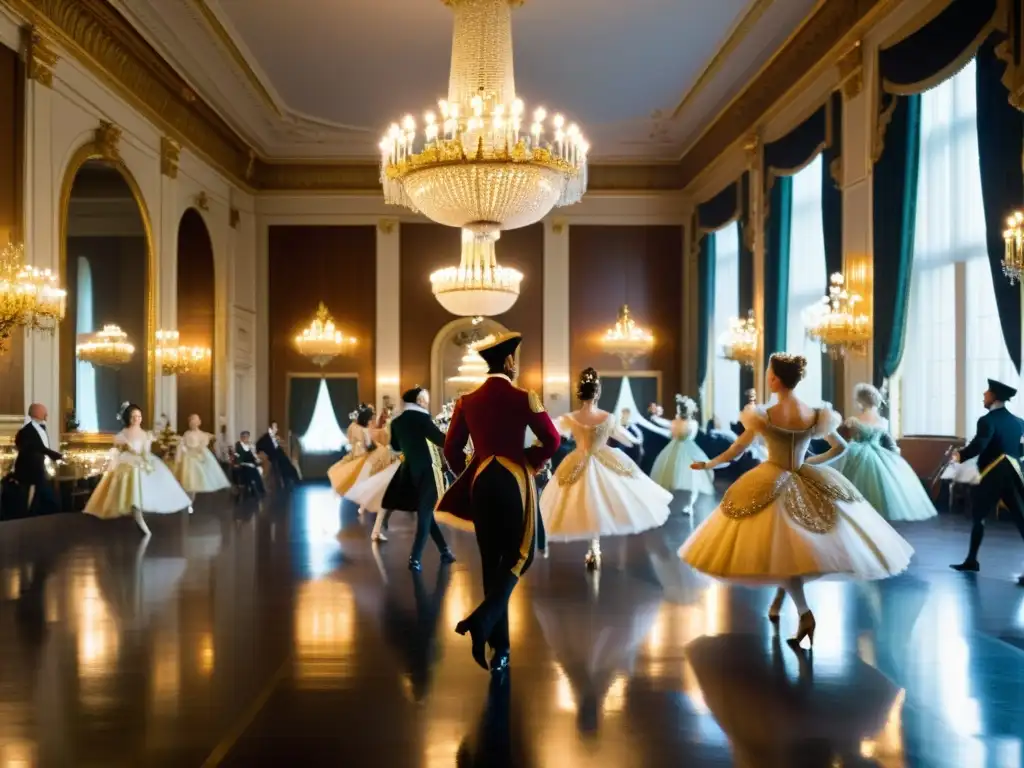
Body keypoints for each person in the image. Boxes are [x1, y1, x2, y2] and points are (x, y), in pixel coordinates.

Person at [679, 354, 913, 648]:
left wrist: (709, 464)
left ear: (775, 378)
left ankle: (804, 613)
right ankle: (778, 604)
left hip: (771, 477)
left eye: (769, 372)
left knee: (781, 552)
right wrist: (812, 461)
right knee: (790, 551)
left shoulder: (764, 414)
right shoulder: (815, 413)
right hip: (804, 475)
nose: (767, 376)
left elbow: (737, 450)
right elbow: (840, 447)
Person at [435, 331, 560, 675]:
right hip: (513, 480)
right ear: (508, 362)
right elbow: (552, 439)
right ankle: (482, 620)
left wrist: (470, 472)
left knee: (490, 563)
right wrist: (529, 460)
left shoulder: (466, 400)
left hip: (481, 483)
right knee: (522, 553)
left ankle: (499, 649)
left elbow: (450, 450)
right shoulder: (523, 396)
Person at [540, 368, 672, 569]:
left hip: (578, 459)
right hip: (604, 459)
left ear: (579, 393)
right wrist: (636, 436)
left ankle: (593, 549)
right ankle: (595, 548)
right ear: (598, 393)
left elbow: (551, 431)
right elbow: (628, 442)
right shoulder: (608, 418)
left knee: (583, 502)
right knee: (601, 502)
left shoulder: (570, 417)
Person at [950, 379, 1024, 583]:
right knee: (1021, 519)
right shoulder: (1019, 422)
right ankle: (971, 560)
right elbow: (1021, 451)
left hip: (993, 475)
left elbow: (979, 445)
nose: (984, 394)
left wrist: (960, 455)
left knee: (979, 518)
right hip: (1014, 474)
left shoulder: (987, 421)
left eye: (987, 392)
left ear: (994, 397)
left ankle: (972, 561)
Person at [84, 403, 192, 536]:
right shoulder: (122, 435)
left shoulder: (145, 434)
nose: (136, 419)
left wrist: (147, 460)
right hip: (127, 463)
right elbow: (116, 450)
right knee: (131, 489)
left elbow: (146, 451)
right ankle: (138, 519)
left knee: (145, 489)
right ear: (128, 418)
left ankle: (140, 518)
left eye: (139, 416)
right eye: (133, 416)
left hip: (143, 462)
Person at [836, 383, 936, 522]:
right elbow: (889, 442)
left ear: (861, 401)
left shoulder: (854, 420)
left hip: (856, 454)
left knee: (853, 487)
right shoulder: (882, 421)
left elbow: (845, 437)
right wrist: (895, 454)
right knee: (879, 492)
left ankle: (857, 517)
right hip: (878, 455)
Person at [381, 387, 455, 572]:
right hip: (428, 472)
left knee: (426, 513)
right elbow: (441, 440)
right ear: (418, 400)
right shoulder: (422, 418)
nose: (426, 402)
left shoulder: (396, 421)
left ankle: (445, 551)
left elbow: (395, 447)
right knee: (425, 514)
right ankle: (415, 558)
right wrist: (458, 436)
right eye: (423, 399)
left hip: (408, 472)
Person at [649, 394, 716, 513]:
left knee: (678, 475)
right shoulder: (689, 423)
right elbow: (685, 434)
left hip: (680, 448)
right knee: (687, 477)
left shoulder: (681, 423)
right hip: (686, 448)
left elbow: (670, 429)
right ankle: (685, 504)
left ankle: (682, 504)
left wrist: (655, 419)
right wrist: (656, 419)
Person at [13, 404, 63, 516]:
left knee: (40, 493)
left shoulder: (39, 429)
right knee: (32, 494)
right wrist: (57, 456)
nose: (47, 414)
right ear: (37, 413)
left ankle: (32, 515)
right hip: (29, 469)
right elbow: (38, 447)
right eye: (44, 412)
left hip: (38, 468)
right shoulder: (26, 431)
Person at [174, 414, 231, 502]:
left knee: (196, 476)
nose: (192, 422)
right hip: (187, 457)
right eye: (191, 421)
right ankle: (187, 498)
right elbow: (183, 444)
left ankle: (191, 498)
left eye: (195, 420)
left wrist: (196, 452)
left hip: (197, 456)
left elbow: (202, 446)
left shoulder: (202, 435)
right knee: (187, 477)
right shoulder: (187, 433)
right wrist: (181, 452)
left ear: (199, 422)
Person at [327, 404, 376, 496]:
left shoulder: (353, 427)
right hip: (363, 456)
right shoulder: (365, 430)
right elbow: (369, 445)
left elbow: (351, 441)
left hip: (355, 455)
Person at [256, 421, 300, 489]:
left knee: (284, 461)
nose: (276, 429)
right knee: (283, 460)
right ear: (270, 428)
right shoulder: (266, 437)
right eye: (274, 427)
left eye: (276, 427)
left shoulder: (275, 437)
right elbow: (260, 446)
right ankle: (290, 478)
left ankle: (290, 478)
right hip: (270, 455)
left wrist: (279, 443)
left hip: (276, 455)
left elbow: (282, 445)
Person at [234, 431, 265, 497]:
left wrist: (257, 459)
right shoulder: (238, 445)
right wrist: (240, 463)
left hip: (251, 462)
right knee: (252, 469)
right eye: (245, 437)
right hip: (243, 463)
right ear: (242, 437)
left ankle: (257, 488)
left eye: (247, 437)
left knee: (256, 469)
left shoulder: (250, 445)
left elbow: (253, 455)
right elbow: (238, 456)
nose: (246, 438)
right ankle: (254, 488)